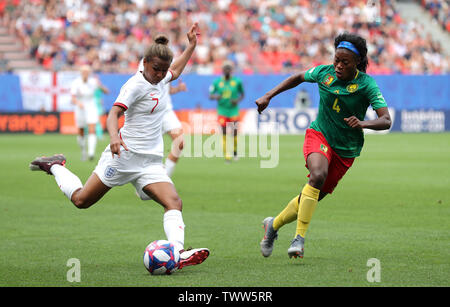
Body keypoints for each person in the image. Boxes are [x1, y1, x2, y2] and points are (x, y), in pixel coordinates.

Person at [29, 23, 210, 269]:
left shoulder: (160, 77)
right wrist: (114, 137)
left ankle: (177, 253)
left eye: (162, 70)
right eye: (156, 69)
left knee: (174, 202)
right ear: (144, 62)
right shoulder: (134, 85)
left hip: (149, 161)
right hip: (123, 157)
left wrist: (191, 46)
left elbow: (175, 71)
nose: (160, 75)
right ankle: (55, 166)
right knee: (82, 200)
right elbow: (113, 114)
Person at [256, 33, 392, 259]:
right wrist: (268, 95)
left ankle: (273, 225)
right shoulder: (324, 73)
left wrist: (363, 123)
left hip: (346, 150)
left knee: (310, 196)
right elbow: (298, 77)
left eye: (345, 62)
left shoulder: (366, 84)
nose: (338, 66)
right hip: (319, 134)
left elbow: (386, 119)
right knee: (317, 175)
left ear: (357, 62)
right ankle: (299, 239)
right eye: (336, 60)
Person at [137, 58, 187, 177]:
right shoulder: (146, 60)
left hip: (166, 110)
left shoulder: (169, 60)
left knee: (180, 142)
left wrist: (178, 89)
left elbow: (166, 90)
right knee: (148, 151)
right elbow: (143, 84)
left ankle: (164, 178)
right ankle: (146, 181)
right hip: (152, 111)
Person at [71, 65, 109, 161]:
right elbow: (73, 98)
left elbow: (106, 91)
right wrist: (78, 103)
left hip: (91, 106)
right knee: (81, 131)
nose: (85, 73)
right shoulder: (76, 82)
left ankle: (91, 153)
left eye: (87, 72)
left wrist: (100, 86)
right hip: (80, 108)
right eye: (84, 72)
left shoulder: (93, 81)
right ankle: (83, 151)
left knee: (92, 128)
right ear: (81, 73)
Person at [209, 61, 244, 162]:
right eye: (225, 69)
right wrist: (216, 96)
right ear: (223, 70)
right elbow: (210, 95)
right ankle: (227, 156)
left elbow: (242, 94)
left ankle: (235, 151)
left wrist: (237, 100)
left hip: (233, 110)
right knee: (224, 132)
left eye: (229, 69)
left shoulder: (237, 81)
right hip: (222, 111)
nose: (227, 70)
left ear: (231, 70)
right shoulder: (217, 82)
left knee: (234, 132)